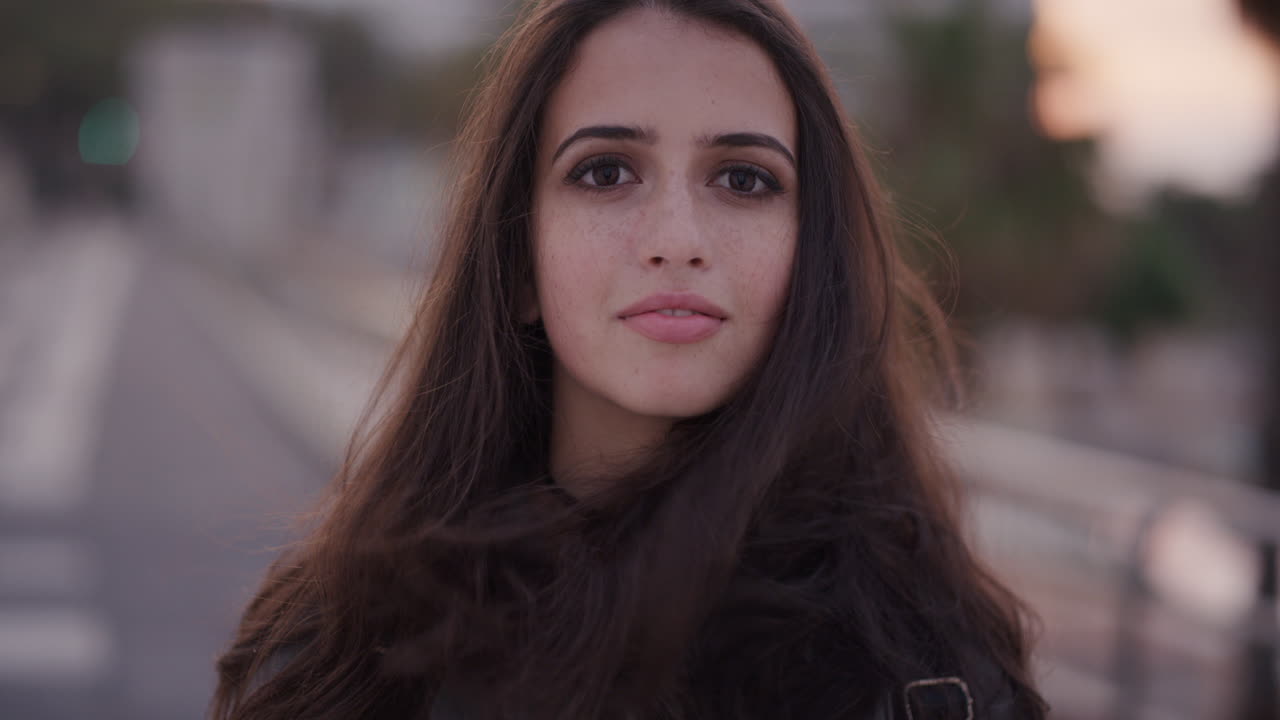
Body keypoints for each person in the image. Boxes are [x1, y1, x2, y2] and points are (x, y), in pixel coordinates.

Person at [210, 0, 1048, 718]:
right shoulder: (348, 651)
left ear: (812, 259)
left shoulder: (929, 676)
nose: (677, 240)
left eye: (744, 180)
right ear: (519, 260)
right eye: (606, 172)